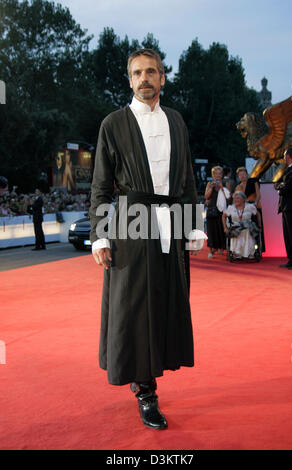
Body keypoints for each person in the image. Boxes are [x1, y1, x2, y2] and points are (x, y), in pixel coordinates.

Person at [89, 49, 205, 430]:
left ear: (163, 77)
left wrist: (194, 224)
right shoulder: (113, 123)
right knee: (134, 308)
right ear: (129, 79)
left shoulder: (177, 121)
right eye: (137, 72)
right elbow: (101, 186)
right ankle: (146, 392)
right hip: (131, 226)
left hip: (171, 223)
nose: (145, 78)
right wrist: (100, 236)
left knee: (166, 303)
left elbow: (187, 181)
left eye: (151, 71)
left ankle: (155, 372)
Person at [275, 148, 292, 269]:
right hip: (286, 206)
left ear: (288, 156)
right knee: (288, 234)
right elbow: (278, 183)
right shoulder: (288, 169)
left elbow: (287, 187)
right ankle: (291, 259)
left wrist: (281, 188)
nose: (284, 158)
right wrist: (281, 187)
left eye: (284, 156)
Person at [222, 191, 261, 259]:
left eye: (238, 198)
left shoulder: (250, 206)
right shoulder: (231, 207)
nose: (235, 200)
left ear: (243, 199)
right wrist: (225, 227)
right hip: (236, 226)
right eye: (234, 198)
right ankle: (237, 253)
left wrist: (259, 225)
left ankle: (249, 253)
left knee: (246, 230)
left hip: (248, 225)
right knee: (237, 231)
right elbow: (223, 216)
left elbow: (258, 214)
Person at [235, 167, 265, 252]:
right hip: (244, 209)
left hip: (255, 207)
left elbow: (258, 194)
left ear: (247, 174)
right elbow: (237, 199)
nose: (242, 176)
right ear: (238, 176)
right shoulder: (238, 187)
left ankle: (258, 248)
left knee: (256, 227)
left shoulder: (253, 181)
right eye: (240, 175)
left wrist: (255, 203)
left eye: (244, 174)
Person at [205, 166, 231, 258]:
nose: (218, 175)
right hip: (211, 209)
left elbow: (229, 198)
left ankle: (222, 247)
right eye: (216, 173)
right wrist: (211, 188)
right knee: (211, 231)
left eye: (219, 173)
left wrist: (222, 188)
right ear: (213, 175)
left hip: (222, 210)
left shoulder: (226, 183)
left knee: (221, 230)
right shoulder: (209, 183)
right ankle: (211, 250)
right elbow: (207, 197)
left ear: (222, 174)